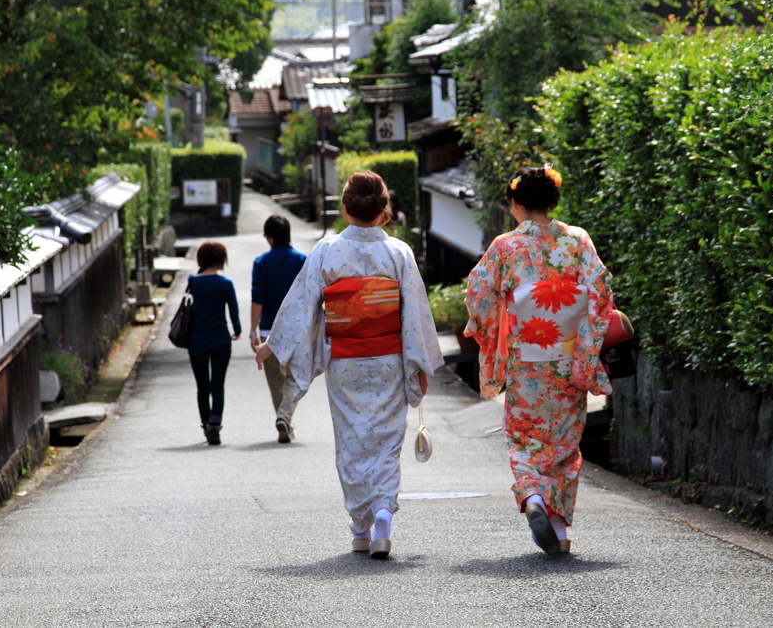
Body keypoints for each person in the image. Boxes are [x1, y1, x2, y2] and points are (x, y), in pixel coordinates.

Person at [255, 171, 443, 559]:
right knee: (388, 442)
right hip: (390, 358)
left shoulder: (327, 251)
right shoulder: (399, 253)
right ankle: (382, 514)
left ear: (345, 208)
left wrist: (272, 347)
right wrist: (418, 362)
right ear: (383, 209)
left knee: (352, 441)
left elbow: (301, 304)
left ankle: (360, 527)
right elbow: (415, 315)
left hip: (346, 362)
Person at [464, 166, 613, 555]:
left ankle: (532, 496)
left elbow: (478, 294)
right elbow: (600, 293)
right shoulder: (577, 241)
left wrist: (483, 328)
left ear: (515, 204)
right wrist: (586, 342)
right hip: (567, 358)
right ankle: (560, 531)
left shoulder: (505, 246)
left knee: (523, 436)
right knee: (565, 442)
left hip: (525, 361)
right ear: (553, 202)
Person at [249, 215, 307, 443]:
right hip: (297, 331)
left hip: (268, 334)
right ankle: (285, 419)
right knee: (295, 377)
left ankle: (284, 420)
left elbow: (258, 298)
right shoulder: (302, 260)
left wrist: (253, 331)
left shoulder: (261, 262)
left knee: (276, 381)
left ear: (270, 237)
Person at [188, 241, 241, 446]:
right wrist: (236, 330)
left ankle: (205, 423)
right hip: (220, 340)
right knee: (217, 386)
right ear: (221, 259)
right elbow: (234, 313)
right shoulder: (225, 284)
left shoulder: (193, 282)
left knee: (202, 387)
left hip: (197, 341)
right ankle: (215, 425)